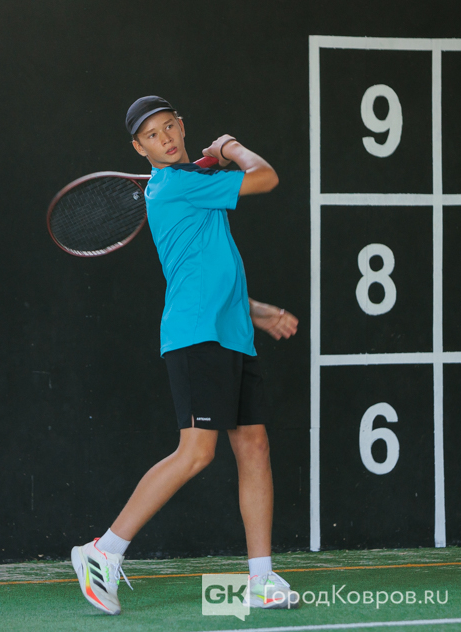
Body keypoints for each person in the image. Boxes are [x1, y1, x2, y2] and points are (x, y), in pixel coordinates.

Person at [70, 95, 299, 616]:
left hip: (230, 333)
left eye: (170, 126)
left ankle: (261, 578)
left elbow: (206, 264)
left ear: (181, 125)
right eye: (152, 135)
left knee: (254, 447)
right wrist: (230, 147)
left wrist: (254, 309)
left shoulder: (187, 182)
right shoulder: (175, 185)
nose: (166, 138)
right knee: (196, 452)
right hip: (197, 336)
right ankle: (103, 551)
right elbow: (265, 178)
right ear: (139, 148)